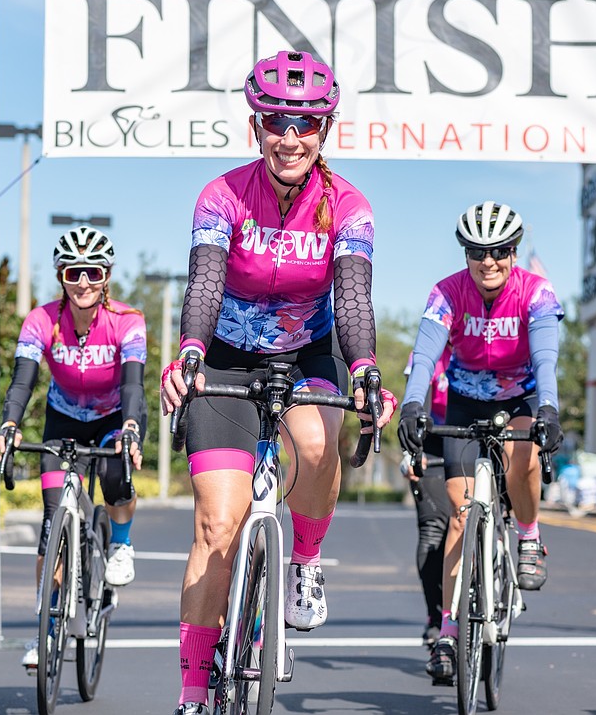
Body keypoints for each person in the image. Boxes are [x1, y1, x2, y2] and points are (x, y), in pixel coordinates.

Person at [159, 50, 395, 715]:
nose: (290, 138)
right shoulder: (223, 194)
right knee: (216, 524)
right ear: (256, 125)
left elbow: (352, 296)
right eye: (276, 123)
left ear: (325, 129)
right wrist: (191, 352)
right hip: (228, 357)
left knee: (319, 447)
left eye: (307, 124)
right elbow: (204, 281)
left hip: (307, 354)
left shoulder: (348, 205)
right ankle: (194, 692)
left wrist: (367, 368)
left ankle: (306, 561)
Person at [397, 201, 563, 685]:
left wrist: (548, 409)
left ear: (513, 251)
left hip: (522, 397)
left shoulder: (536, 292)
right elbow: (424, 356)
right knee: (461, 514)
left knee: (524, 460)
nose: (488, 261)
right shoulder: (446, 294)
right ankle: (448, 629)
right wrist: (412, 406)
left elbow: (547, 358)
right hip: (467, 401)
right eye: (477, 252)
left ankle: (529, 537)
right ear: (466, 253)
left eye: (499, 251)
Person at [0, 224, 147, 672]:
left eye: (92, 273)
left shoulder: (127, 319)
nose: (83, 282)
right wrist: (10, 423)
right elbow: (24, 378)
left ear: (106, 277)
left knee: (117, 475)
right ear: (61, 275)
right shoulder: (42, 320)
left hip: (117, 415)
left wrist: (132, 426)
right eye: (74, 272)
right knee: (50, 521)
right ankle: (47, 626)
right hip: (64, 420)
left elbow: (133, 382)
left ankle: (120, 542)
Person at [399, 347, 452, 649]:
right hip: (433, 441)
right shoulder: (429, 349)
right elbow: (416, 404)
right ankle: (436, 616)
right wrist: (412, 451)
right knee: (434, 530)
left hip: (479, 434)